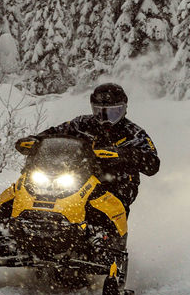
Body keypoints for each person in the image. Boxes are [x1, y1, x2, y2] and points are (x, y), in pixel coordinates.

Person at [36, 82, 161, 211]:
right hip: (76, 180)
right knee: (38, 190)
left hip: (116, 187)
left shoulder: (133, 133)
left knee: (98, 210)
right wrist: (36, 140)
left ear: (123, 109)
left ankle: (104, 230)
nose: (106, 118)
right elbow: (56, 132)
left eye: (113, 113)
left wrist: (123, 154)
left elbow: (153, 164)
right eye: (100, 112)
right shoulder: (81, 124)